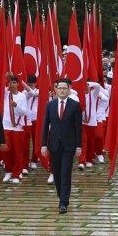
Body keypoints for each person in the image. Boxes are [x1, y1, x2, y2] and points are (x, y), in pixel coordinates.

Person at [40, 78, 82, 214]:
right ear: (56, 90)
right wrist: (43, 144)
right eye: (60, 88)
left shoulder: (74, 105)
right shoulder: (50, 105)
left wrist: (79, 146)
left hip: (69, 145)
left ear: (69, 90)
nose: (62, 90)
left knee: (65, 172)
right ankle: (61, 194)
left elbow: (78, 128)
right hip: (54, 145)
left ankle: (63, 201)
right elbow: (46, 126)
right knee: (56, 172)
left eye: (65, 88)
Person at [1, 75, 29, 184]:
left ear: (18, 84)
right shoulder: (6, 94)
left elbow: (24, 112)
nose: (12, 84)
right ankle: (8, 170)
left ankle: (16, 173)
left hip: (18, 127)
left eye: (14, 83)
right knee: (6, 150)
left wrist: (16, 105)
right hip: (6, 126)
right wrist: (5, 77)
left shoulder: (22, 96)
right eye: (10, 82)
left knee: (18, 151)